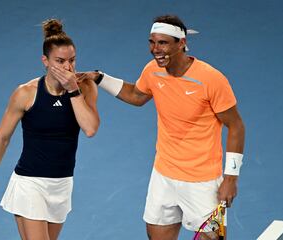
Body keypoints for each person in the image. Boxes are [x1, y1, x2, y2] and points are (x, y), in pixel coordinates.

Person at [83, 15, 245, 240]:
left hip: (202, 181)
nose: (155, 49)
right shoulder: (153, 71)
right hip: (164, 175)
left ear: (181, 43)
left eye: (163, 43)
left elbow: (236, 126)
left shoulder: (211, 79)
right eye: (152, 42)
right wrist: (100, 78)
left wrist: (230, 179)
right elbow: (137, 95)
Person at [0, 19, 99, 240]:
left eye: (72, 60)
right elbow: (2, 137)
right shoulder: (26, 93)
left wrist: (73, 90)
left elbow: (90, 128)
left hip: (62, 185)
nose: (68, 67)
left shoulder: (85, 88)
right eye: (60, 61)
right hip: (30, 183)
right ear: (45, 61)